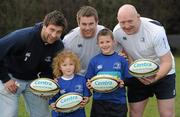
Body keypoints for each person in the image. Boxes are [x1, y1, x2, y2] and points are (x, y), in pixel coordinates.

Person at [0, 10, 67, 117]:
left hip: (34, 81)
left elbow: (50, 68)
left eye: (58, 32)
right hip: (10, 77)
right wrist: (5, 79)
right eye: (52, 29)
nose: (54, 35)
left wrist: (47, 84)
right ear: (44, 26)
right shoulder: (22, 37)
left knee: (42, 114)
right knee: (9, 114)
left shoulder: (59, 46)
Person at [113, 4, 176, 117]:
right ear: (118, 20)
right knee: (135, 114)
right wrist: (137, 75)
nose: (126, 26)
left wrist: (154, 77)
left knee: (167, 114)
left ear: (138, 17)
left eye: (130, 21)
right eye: (122, 22)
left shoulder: (155, 31)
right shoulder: (117, 32)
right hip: (137, 73)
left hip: (164, 71)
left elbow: (167, 62)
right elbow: (123, 56)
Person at [86, 28, 132, 117]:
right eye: (102, 42)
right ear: (98, 44)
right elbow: (88, 79)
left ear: (113, 42)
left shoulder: (121, 60)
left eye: (108, 41)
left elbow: (130, 79)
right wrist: (88, 84)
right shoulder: (94, 61)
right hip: (99, 102)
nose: (105, 45)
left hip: (118, 102)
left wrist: (124, 83)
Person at [63, 6, 105, 76]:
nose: (87, 28)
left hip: (100, 76)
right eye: (84, 24)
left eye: (91, 24)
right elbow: (63, 63)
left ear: (97, 22)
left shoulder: (105, 34)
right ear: (78, 23)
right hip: (78, 78)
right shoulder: (68, 40)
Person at [49, 50, 91, 117]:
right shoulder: (56, 83)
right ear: (59, 67)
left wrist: (86, 100)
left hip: (78, 114)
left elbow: (86, 97)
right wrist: (52, 104)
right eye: (64, 65)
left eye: (71, 64)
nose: (68, 67)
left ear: (75, 65)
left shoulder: (82, 80)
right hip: (61, 114)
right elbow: (52, 100)